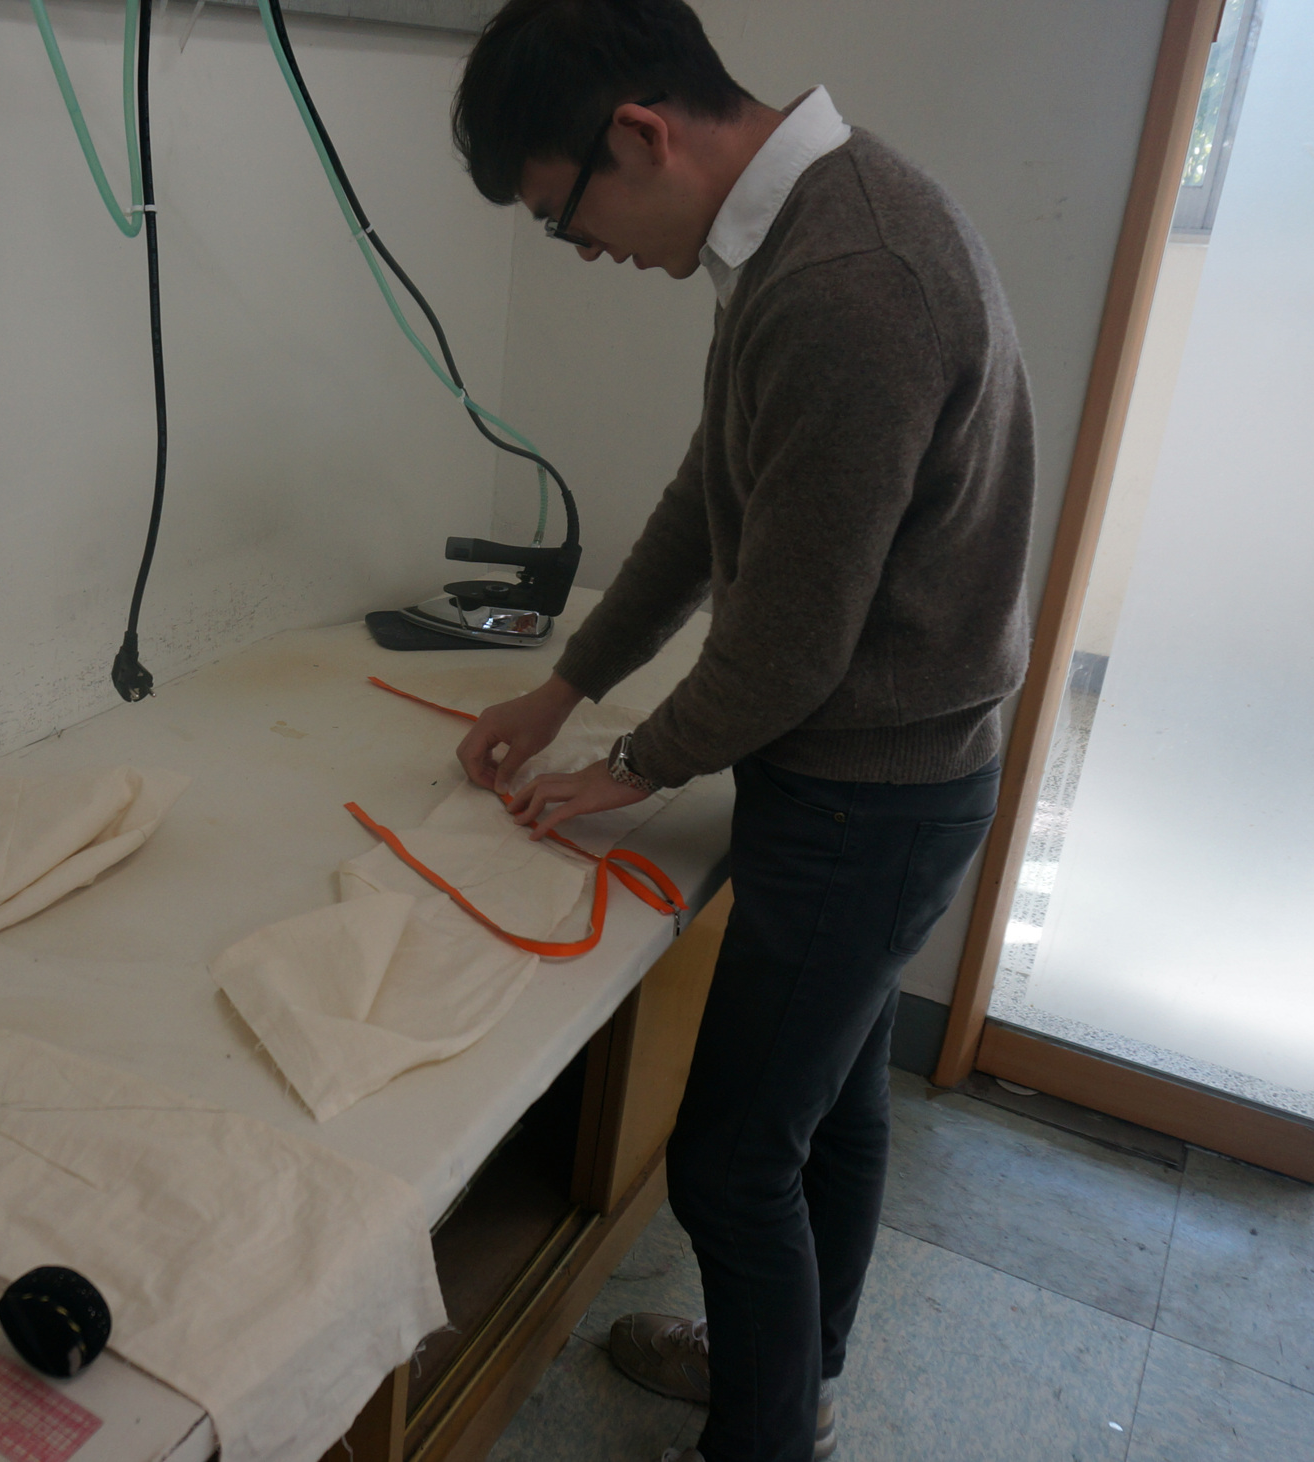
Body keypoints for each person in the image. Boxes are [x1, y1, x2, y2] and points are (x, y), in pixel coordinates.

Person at [448, 2, 1034, 1459]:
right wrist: (567, 684)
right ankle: (796, 1382)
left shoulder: (849, 280)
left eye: (565, 216)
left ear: (640, 134)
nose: (580, 251)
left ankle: (765, 1437)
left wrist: (629, 767)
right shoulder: (802, 228)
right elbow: (712, 496)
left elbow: (790, 640)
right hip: (880, 773)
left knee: (728, 1161)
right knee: (830, 1106)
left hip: (868, 798)